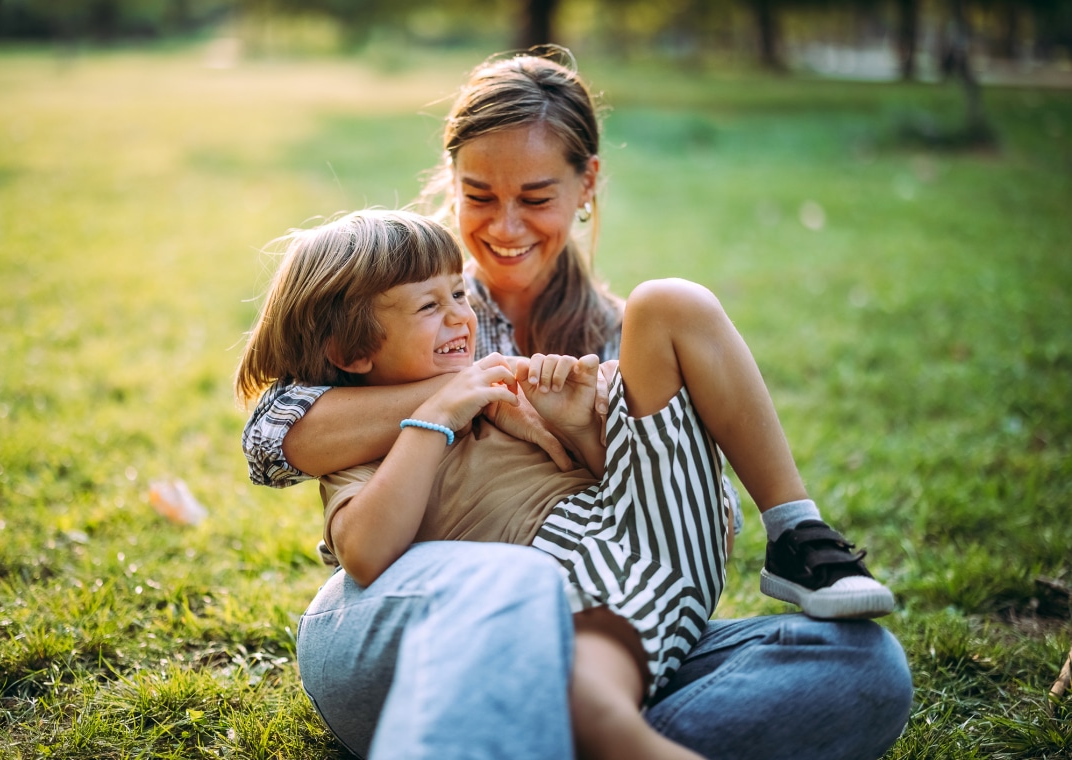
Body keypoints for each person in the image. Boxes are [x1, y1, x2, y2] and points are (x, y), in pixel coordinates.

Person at [238, 47, 912, 760]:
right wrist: (467, 392)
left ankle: (573, 725)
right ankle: (578, 724)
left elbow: (677, 527)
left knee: (865, 666)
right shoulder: (406, 293)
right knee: (514, 584)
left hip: (603, 611)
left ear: (585, 183)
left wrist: (585, 430)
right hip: (446, 612)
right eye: (479, 195)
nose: (504, 227)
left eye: (534, 198)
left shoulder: (618, 337)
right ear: (451, 181)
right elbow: (275, 436)